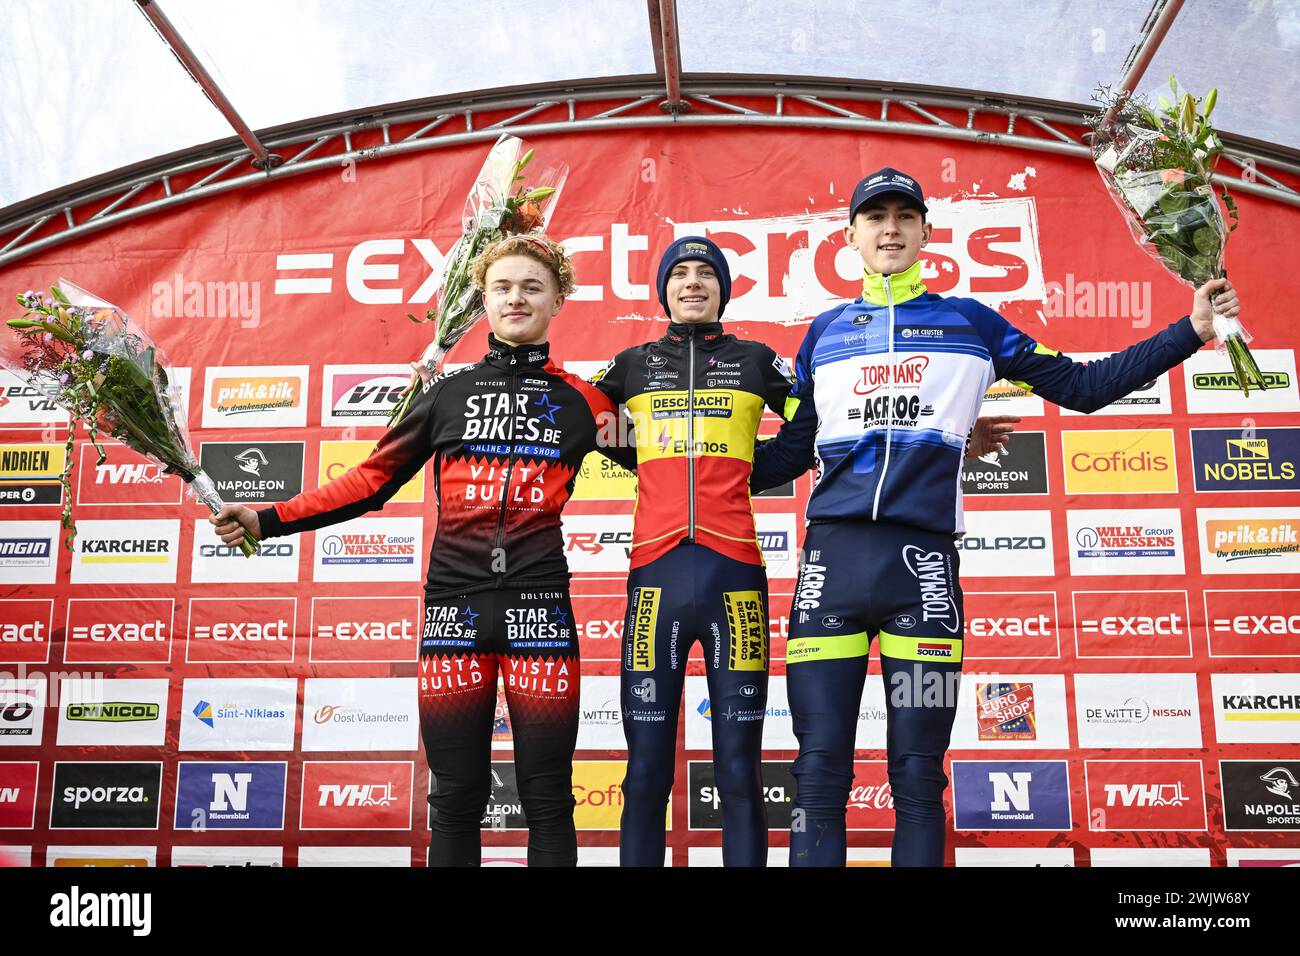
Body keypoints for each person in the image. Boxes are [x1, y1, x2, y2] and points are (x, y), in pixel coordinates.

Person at [752, 166, 1240, 867]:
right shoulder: (824, 335)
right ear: (850, 235)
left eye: (903, 216)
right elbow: (786, 456)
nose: (890, 228)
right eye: (875, 217)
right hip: (829, 568)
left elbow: (1084, 386)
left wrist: (1189, 332)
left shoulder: (970, 323)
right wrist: (665, 456)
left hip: (922, 576)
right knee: (819, 773)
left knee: (918, 778)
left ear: (925, 232)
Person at [592, 236, 1017, 866]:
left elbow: (816, 423)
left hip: (733, 574)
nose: (691, 284)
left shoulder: (758, 361)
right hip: (654, 577)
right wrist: (660, 465)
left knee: (739, 769)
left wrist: (735, 470)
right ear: (662, 289)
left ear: (723, 289)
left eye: (705, 274)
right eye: (678, 274)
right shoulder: (629, 365)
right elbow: (585, 421)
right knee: (645, 771)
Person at [209, 234, 629, 867]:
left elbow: (676, 464)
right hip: (453, 614)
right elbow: (370, 481)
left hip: (541, 612)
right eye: (502, 288)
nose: (517, 298)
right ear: (482, 301)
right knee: (455, 797)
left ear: (558, 300)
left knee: (546, 797)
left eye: (532, 287)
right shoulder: (445, 394)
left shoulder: (585, 401)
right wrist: (268, 518)